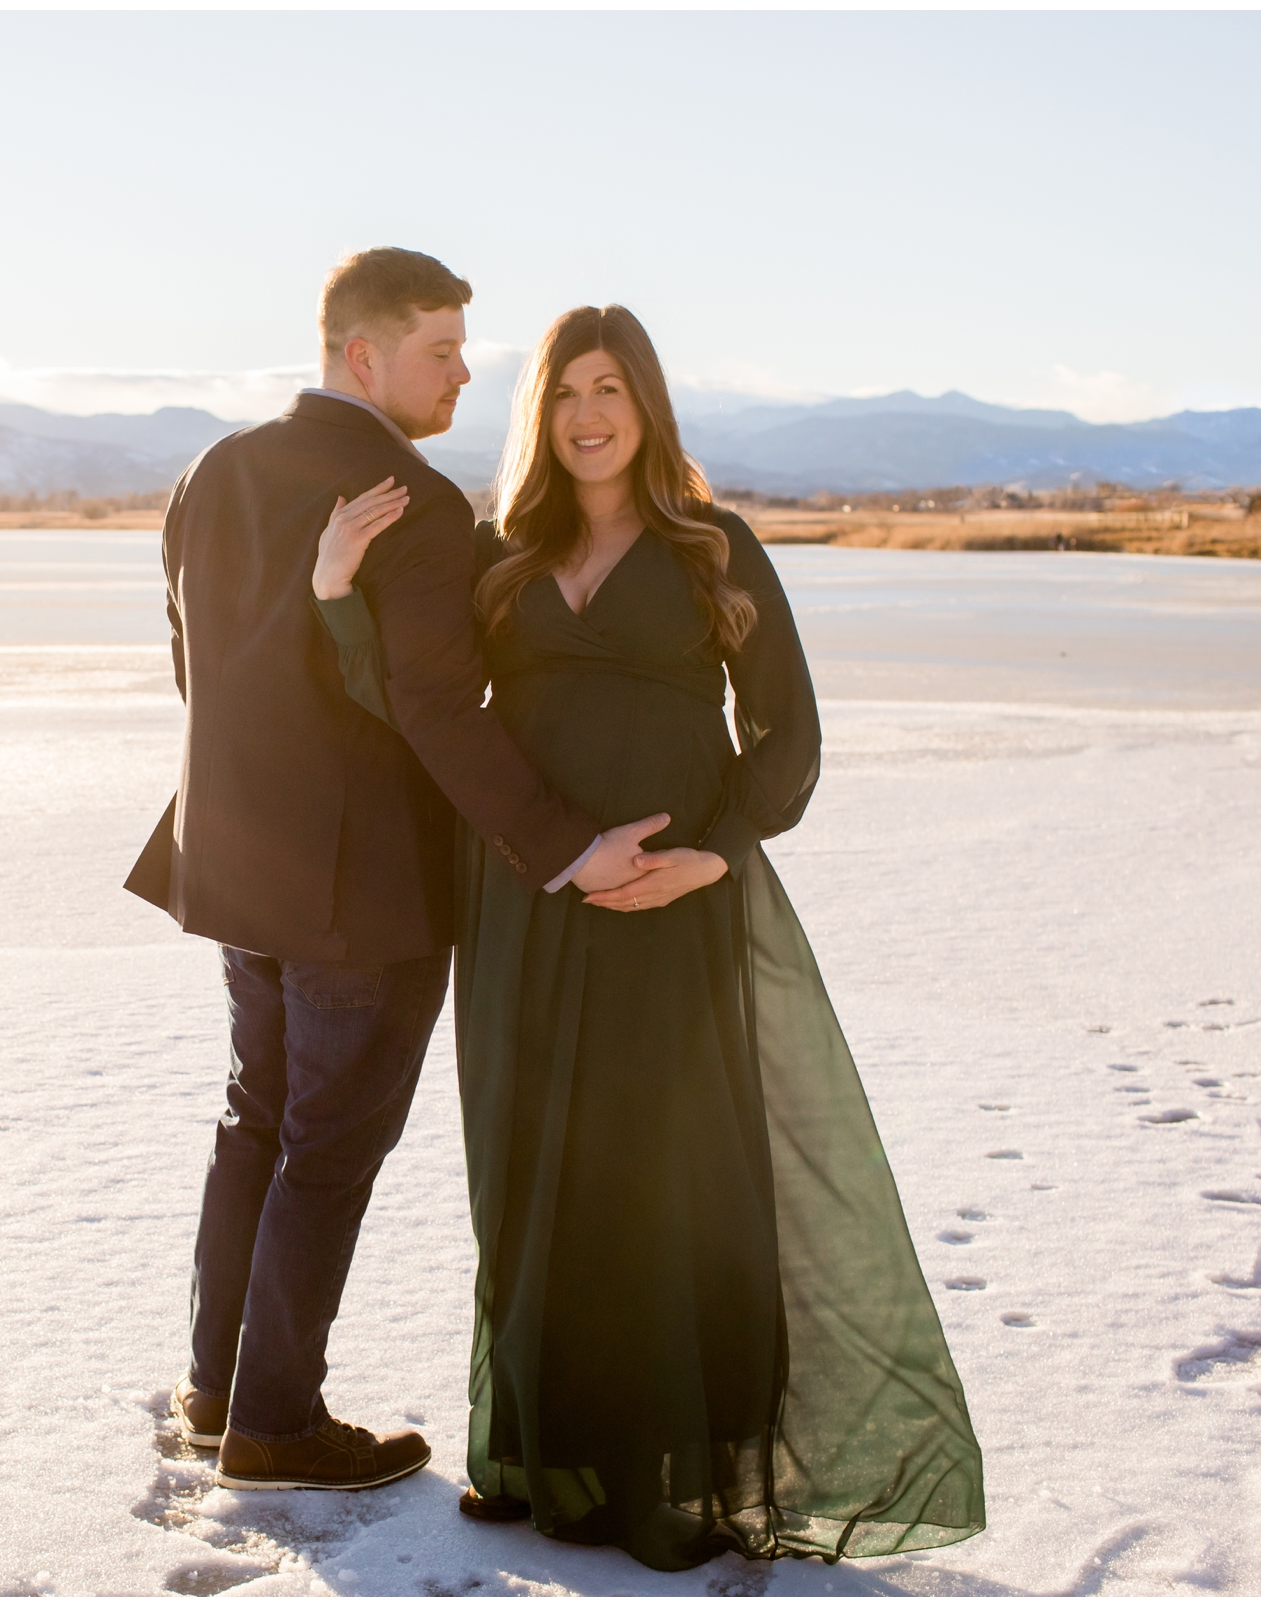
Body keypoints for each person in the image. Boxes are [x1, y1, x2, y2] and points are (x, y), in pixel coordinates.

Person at [308, 305, 987, 1569]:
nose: (587, 413)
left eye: (610, 386)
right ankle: (533, 1449)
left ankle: (672, 1475)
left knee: (666, 1178)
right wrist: (340, 597)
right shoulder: (501, 550)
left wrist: (711, 857)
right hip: (528, 901)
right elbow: (424, 705)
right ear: (541, 414)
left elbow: (789, 736)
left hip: (674, 907)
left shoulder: (712, 546)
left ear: (648, 403)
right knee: (529, 1171)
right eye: (565, 390)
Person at [124, 251, 670, 1494]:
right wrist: (568, 845)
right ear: (363, 355)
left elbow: (190, 661)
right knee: (323, 1145)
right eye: (441, 349)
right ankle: (273, 1421)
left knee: (254, 1119)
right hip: (359, 896)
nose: (466, 371)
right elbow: (437, 706)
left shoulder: (213, 472)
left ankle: (218, 1387)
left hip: (234, 863)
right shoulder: (412, 504)